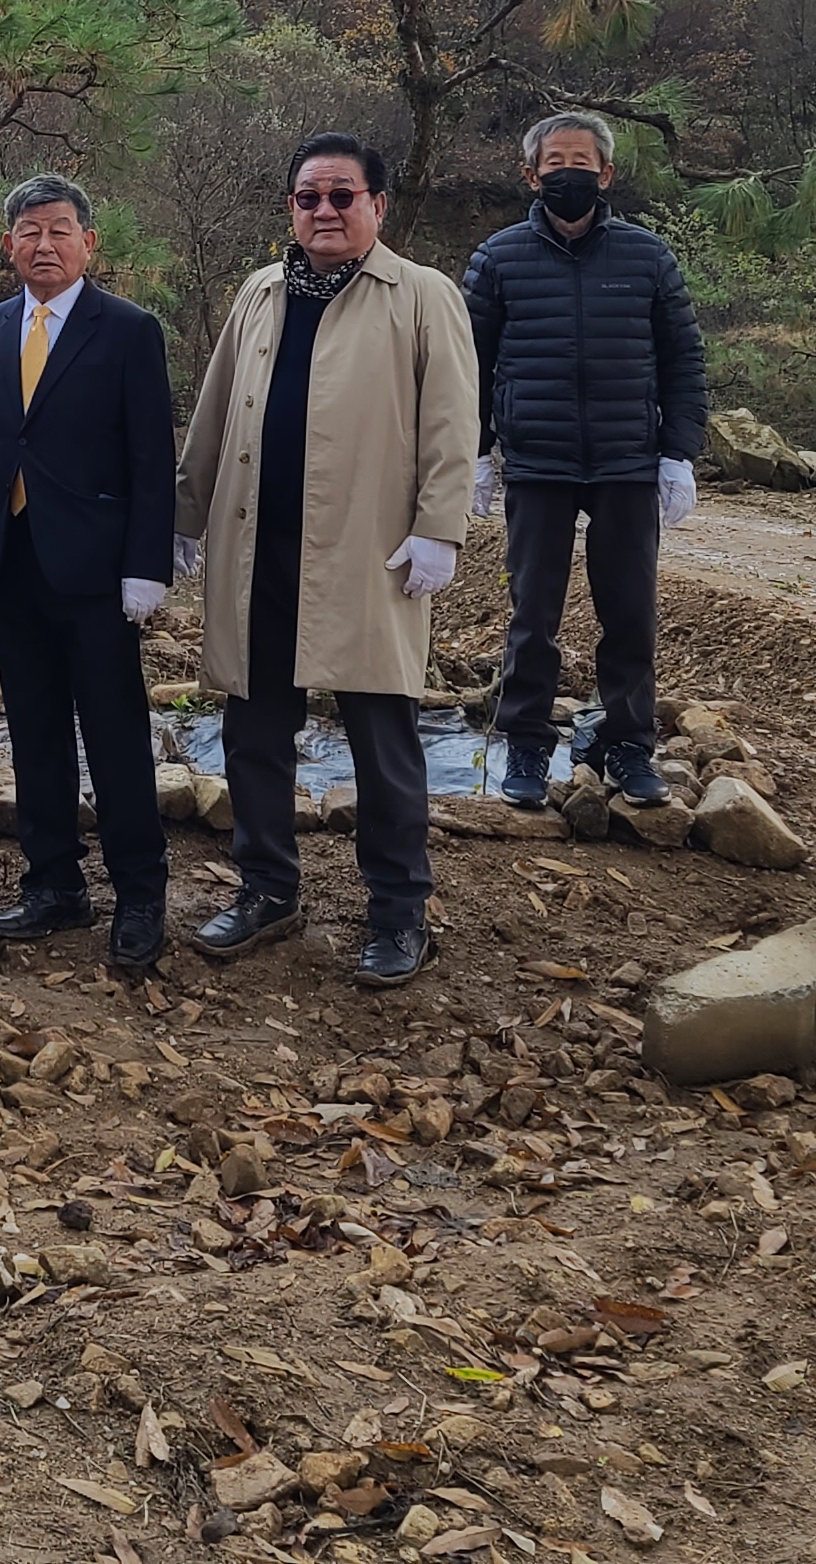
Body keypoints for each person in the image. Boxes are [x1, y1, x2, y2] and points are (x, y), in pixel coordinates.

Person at [174, 132, 480, 988]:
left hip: (366, 555)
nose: (325, 211)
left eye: (343, 196)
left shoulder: (421, 295)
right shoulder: (261, 292)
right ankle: (267, 889)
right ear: (291, 208)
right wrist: (184, 514)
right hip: (257, 551)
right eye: (309, 198)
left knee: (383, 741)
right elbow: (214, 410)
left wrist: (440, 527)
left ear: (376, 204)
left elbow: (454, 422)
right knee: (255, 732)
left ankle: (399, 910)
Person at [0, 174, 179, 975]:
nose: (45, 245)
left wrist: (146, 567)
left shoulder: (129, 330)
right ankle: (52, 883)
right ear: (8, 244)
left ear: (88, 243)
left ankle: (139, 892)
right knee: (34, 731)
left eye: (60, 231)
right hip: (12, 561)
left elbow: (152, 458)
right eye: (30, 232)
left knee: (115, 735)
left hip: (98, 569)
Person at [465, 110, 709, 811]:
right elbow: (467, 365)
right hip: (536, 463)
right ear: (531, 174)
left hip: (627, 462)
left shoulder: (647, 257)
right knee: (531, 614)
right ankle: (526, 743)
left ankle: (628, 744)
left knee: (630, 613)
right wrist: (473, 451)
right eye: (555, 162)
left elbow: (684, 360)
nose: (567, 173)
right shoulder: (498, 259)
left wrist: (678, 453)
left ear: (605, 174)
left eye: (581, 162)